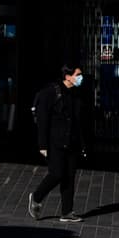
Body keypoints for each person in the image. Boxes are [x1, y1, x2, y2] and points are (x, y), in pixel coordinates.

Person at [27, 65, 87, 222]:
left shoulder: (76, 95)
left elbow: (78, 121)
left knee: (69, 176)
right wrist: (42, 145)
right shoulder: (51, 93)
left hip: (71, 142)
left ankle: (67, 211)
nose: (81, 78)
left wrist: (81, 144)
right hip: (56, 141)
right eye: (78, 75)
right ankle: (36, 197)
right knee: (57, 173)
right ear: (67, 76)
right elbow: (43, 119)